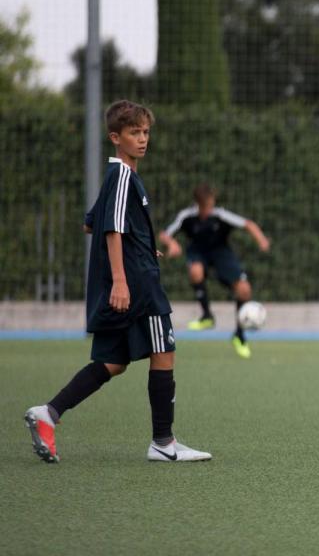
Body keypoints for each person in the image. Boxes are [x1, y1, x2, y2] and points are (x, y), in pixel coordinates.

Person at [24, 100, 211, 463]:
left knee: (114, 361)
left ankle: (48, 413)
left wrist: (141, 246)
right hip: (139, 286)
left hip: (135, 272)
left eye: (145, 132)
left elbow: (90, 222)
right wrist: (121, 280)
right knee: (164, 350)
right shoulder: (124, 176)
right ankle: (163, 442)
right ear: (115, 137)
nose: (142, 139)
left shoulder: (117, 177)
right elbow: (109, 229)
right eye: (134, 133)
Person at [158, 184, 270, 359]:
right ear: (198, 204)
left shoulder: (221, 215)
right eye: (205, 206)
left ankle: (239, 336)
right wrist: (172, 244)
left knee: (244, 290)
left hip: (221, 253)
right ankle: (207, 316)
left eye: (211, 205)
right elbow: (165, 234)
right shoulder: (187, 216)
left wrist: (261, 239)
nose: (208, 209)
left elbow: (248, 224)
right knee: (195, 271)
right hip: (198, 252)